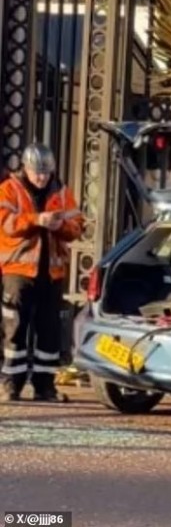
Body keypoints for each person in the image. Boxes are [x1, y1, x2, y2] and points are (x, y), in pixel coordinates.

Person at [0, 143, 84, 402]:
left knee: (48, 331)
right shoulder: (9, 190)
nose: (42, 177)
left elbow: (77, 226)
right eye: (38, 172)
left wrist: (60, 226)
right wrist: (37, 220)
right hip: (18, 271)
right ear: (25, 168)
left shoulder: (61, 192)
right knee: (14, 328)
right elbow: (6, 224)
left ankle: (44, 386)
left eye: (46, 172)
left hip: (51, 272)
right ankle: (10, 385)